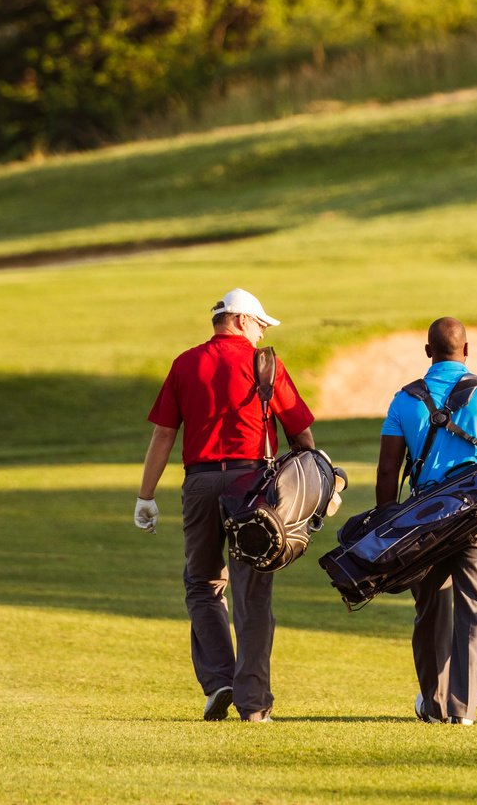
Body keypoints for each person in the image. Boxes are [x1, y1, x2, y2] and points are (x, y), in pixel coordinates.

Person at [135, 288, 317, 723]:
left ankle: (219, 680)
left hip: (198, 483)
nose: (260, 333)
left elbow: (163, 435)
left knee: (202, 583)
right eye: (258, 324)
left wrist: (146, 495)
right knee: (251, 595)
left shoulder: (185, 363)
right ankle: (253, 706)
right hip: (252, 486)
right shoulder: (264, 363)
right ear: (239, 320)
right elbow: (301, 434)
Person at [372, 317, 477, 726]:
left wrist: (386, 528)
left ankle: (433, 704)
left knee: (431, 612)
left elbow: (388, 472)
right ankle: (464, 710)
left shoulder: (404, 400)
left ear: (428, 352)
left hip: (423, 521)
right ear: (467, 350)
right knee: (476, 611)